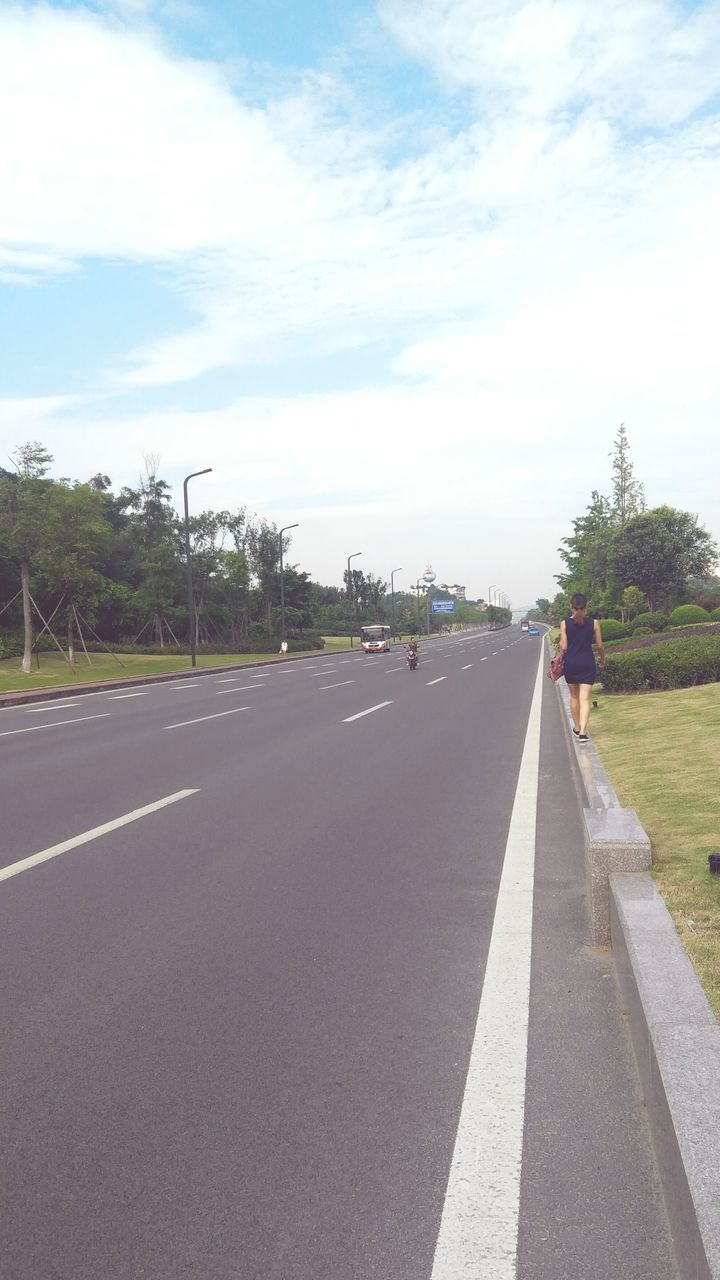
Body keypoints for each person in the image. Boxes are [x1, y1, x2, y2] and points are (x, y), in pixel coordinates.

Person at [559, 593, 605, 742]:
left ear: (571, 607)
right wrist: (602, 659)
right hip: (587, 663)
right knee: (584, 698)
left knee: (574, 697)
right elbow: (599, 646)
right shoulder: (594, 623)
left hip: (571, 663)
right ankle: (583, 733)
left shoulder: (565, 623)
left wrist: (559, 656)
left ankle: (577, 727)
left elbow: (564, 646)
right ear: (586, 607)